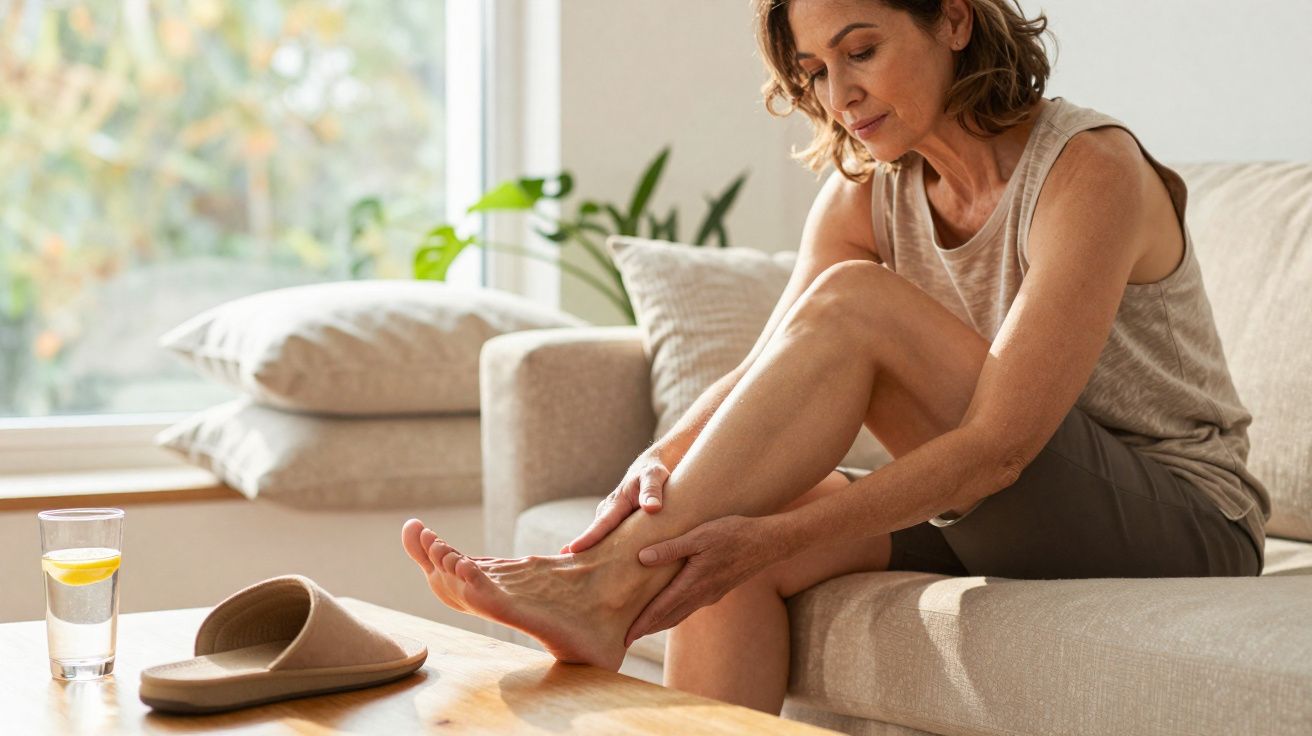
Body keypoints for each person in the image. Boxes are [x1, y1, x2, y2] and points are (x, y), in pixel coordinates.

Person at [401, 0, 1270, 715]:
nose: (841, 93)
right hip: (994, 506)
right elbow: (769, 363)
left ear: (955, 22)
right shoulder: (869, 186)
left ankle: (601, 591)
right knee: (709, 555)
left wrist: (773, 533)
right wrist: (655, 471)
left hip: (1179, 519)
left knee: (854, 309)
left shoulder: (1088, 168)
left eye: (862, 50)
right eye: (816, 71)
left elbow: (1000, 446)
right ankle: (607, 581)